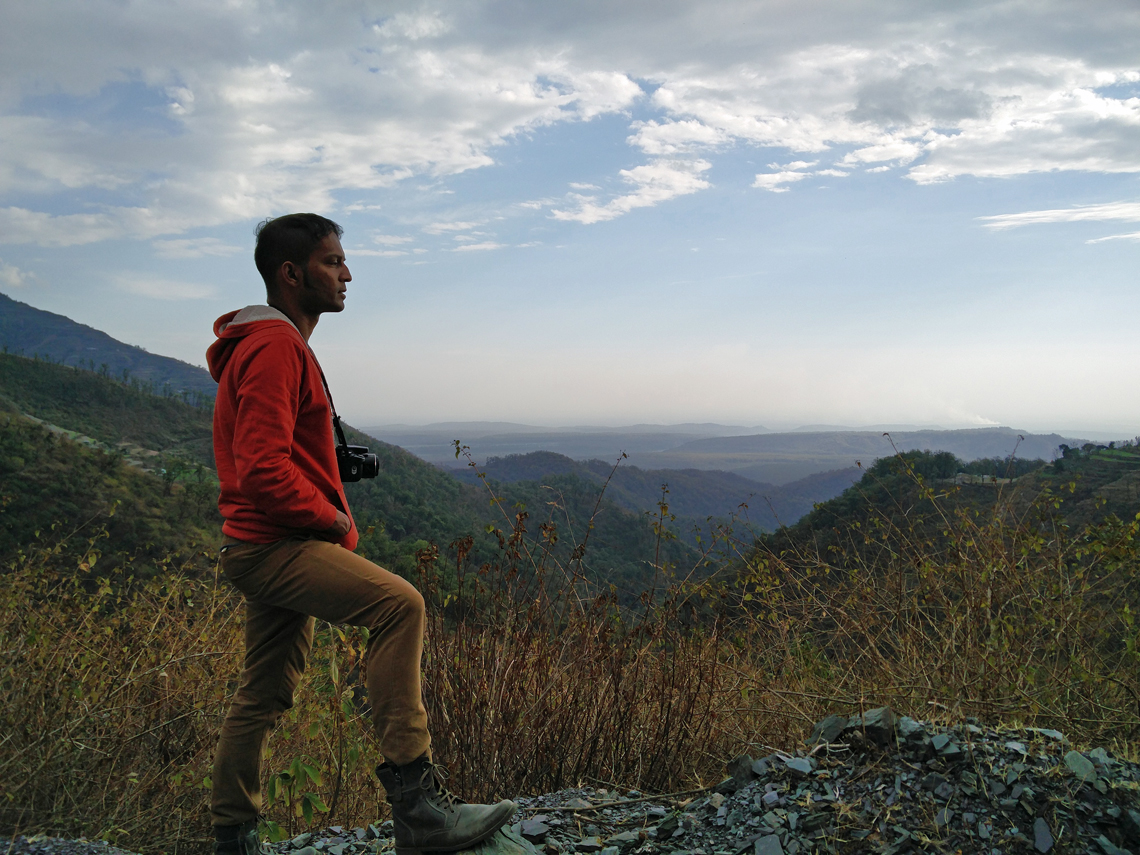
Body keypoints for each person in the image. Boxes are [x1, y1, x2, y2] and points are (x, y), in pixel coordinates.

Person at [206, 213, 516, 855]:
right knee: (400, 606)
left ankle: (232, 836)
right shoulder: (275, 346)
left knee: (263, 691)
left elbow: (273, 453)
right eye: (332, 261)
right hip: (276, 544)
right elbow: (262, 469)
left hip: (260, 541)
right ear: (292, 274)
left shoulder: (271, 343)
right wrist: (333, 519)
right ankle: (419, 809)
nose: (347, 274)